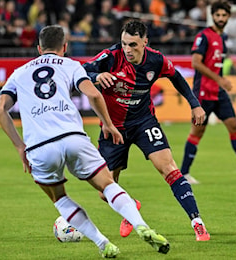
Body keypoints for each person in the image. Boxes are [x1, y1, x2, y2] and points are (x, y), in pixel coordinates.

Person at [0, 25, 170, 258]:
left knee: (60, 197)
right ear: (64, 47)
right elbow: (94, 94)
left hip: (39, 147)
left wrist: (19, 146)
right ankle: (141, 225)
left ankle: (102, 243)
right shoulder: (71, 65)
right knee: (108, 185)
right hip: (73, 137)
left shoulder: (18, 72)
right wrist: (108, 124)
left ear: (38, 48)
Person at [82, 19, 211, 241]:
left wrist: (195, 103)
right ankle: (131, 205)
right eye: (124, 44)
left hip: (144, 122)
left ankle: (197, 222)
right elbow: (82, 70)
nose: (127, 49)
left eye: (133, 45)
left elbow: (177, 77)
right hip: (113, 128)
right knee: (105, 190)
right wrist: (96, 76)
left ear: (145, 42)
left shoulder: (156, 60)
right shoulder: (111, 57)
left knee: (169, 168)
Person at [180, 1, 236, 184]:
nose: (220, 18)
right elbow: (196, 63)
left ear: (228, 17)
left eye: (224, 15)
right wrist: (220, 79)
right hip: (204, 92)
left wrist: (220, 82)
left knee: (235, 127)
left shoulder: (223, 38)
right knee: (197, 132)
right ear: (212, 16)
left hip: (218, 93)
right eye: (217, 15)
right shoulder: (203, 36)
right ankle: (183, 174)